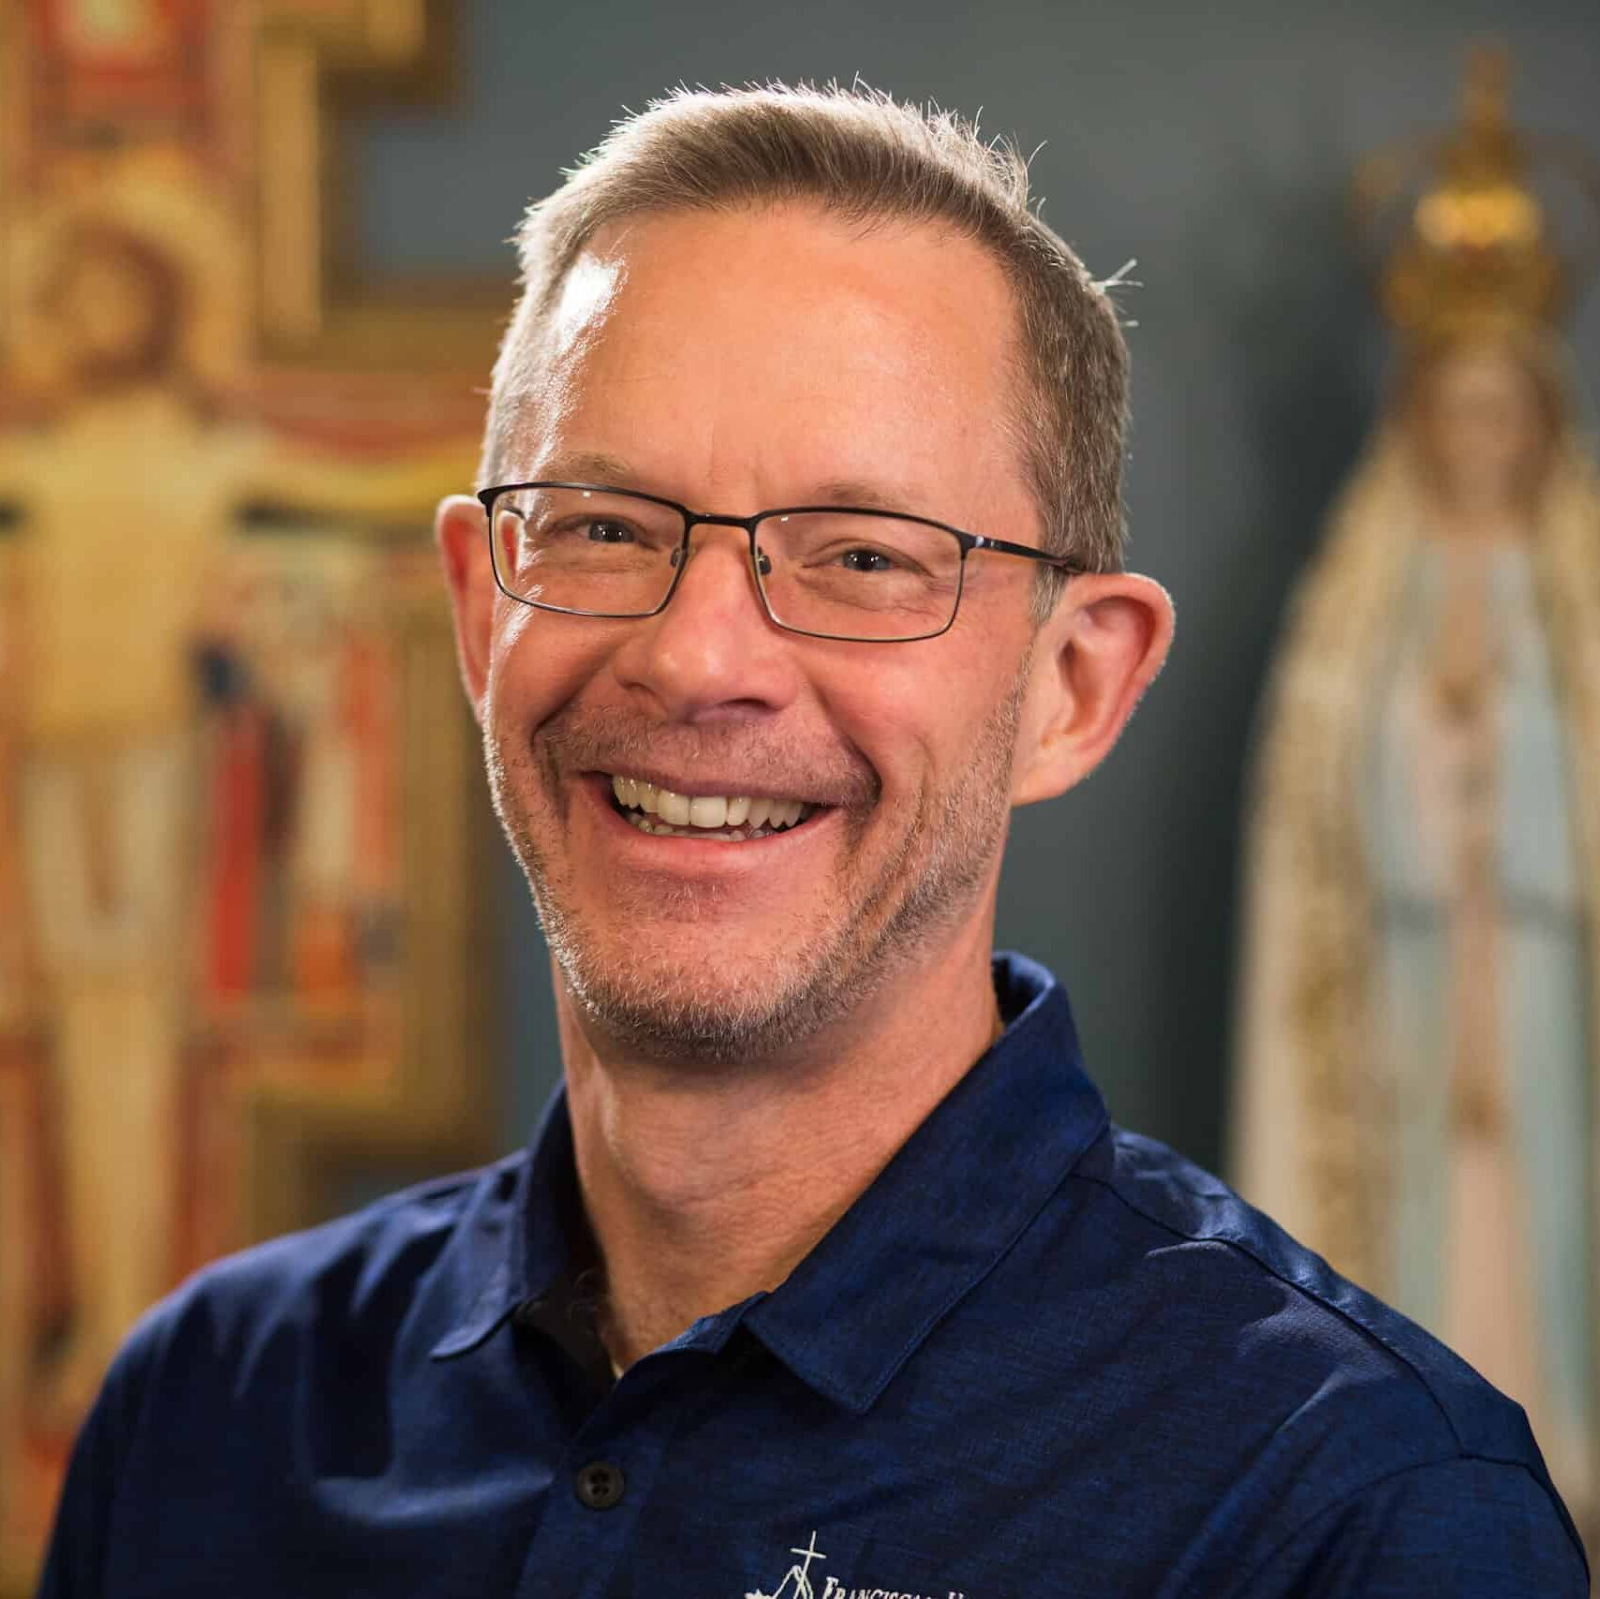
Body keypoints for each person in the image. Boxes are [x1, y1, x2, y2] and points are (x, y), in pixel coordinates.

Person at [40, 83, 1586, 1597]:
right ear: (474, 608)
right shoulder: (210, 1407)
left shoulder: (1356, 1509)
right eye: (603, 527)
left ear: (1072, 685)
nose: (697, 659)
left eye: (862, 555)